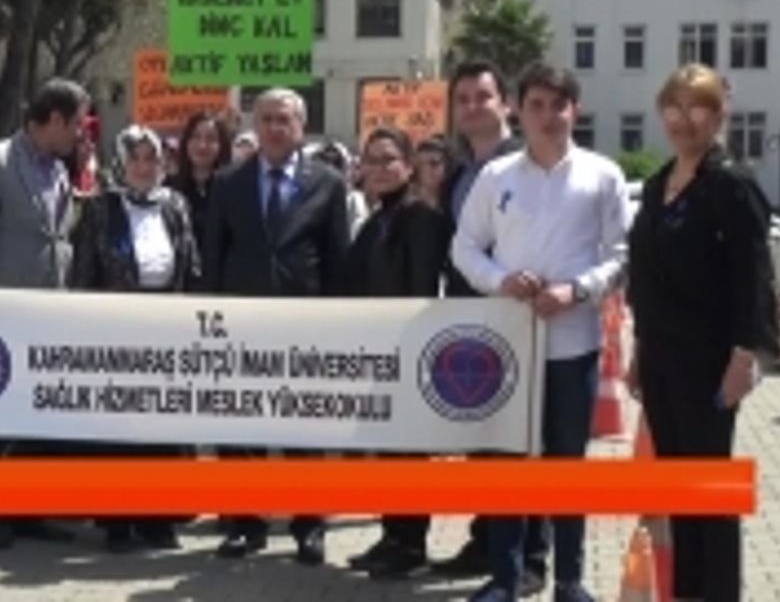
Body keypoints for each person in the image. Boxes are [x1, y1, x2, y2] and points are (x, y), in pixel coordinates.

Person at [453, 63, 628, 602]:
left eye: (558, 105)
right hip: (509, 346)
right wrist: (499, 281)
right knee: (507, 463)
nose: (548, 117)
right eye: (537, 105)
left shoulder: (602, 174)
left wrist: (577, 290)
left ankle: (569, 580)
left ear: (575, 110)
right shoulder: (496, 177)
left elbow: (621, 255)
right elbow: (464, 247)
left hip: (573, 345)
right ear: (518, 110)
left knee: (566, 464)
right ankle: (504, 579)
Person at [626, 64, 780, 602]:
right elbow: (646, 278)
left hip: (710, 363)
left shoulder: (731, 186)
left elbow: (753, 276)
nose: (683, 119)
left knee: (710, 489)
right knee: (679, 486)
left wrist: (745, 357)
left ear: (717, 116)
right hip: (661, 358)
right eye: (673, 107)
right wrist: (639, 350)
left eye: (697, 107)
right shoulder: (656, 186)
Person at [203, 88, 350, 566]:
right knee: (240, 427)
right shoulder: (227, 182)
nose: (274, 127)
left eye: (283, 119)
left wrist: (336, 323)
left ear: (300, 127)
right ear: (255, 125)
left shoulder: (328, 183)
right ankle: (246, 523)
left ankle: (309, 525)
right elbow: (213, 255)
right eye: (265, 118)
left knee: (303, 429)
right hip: (239, 323)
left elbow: (337, 257)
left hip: (303, 323)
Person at [431, 61, 550, 592]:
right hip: (470, 320)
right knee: (482, 437)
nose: (472, 107)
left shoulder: (529, 165)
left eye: (483, 97)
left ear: (506, 104)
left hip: (521, 320)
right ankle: (488, 541)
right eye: (462, 99)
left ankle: (532, 558)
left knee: (524, 443)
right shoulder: (458, 174)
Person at [0, 78, 89, 550]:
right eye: (76, 124)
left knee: (38, 415)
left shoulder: (59, 168)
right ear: (54, 119)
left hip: (49, 314)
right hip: (0, 314)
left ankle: (30, 510)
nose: (81, 133)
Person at [68, 124, 200, 552]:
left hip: (166, 325)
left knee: (162, 425)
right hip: (115, 327)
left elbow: (190, 266)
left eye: (152, 159)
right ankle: (118, 521)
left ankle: (158, 518)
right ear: (121, 163)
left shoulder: (175, 205)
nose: (144, 167)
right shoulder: (100, 208)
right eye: (136, 159)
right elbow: (83, 273)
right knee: (119, 427)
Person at [341, 127, 450, 580]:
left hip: (409, 353)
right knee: (388, 452)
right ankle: (393, 534)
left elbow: (421, 289)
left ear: (409, 165)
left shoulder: (420, 218)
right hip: (377, 354)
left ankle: (411, 544)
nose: (381, 169)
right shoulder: (377, 220)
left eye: (390, 159)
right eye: (373, 160)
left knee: (409, 455)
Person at [167, 111, 233, 265]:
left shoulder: (233, 188)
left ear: (222, 145)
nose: (202, 145)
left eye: (211, 139)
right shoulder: (168, 188)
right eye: (195, 137)